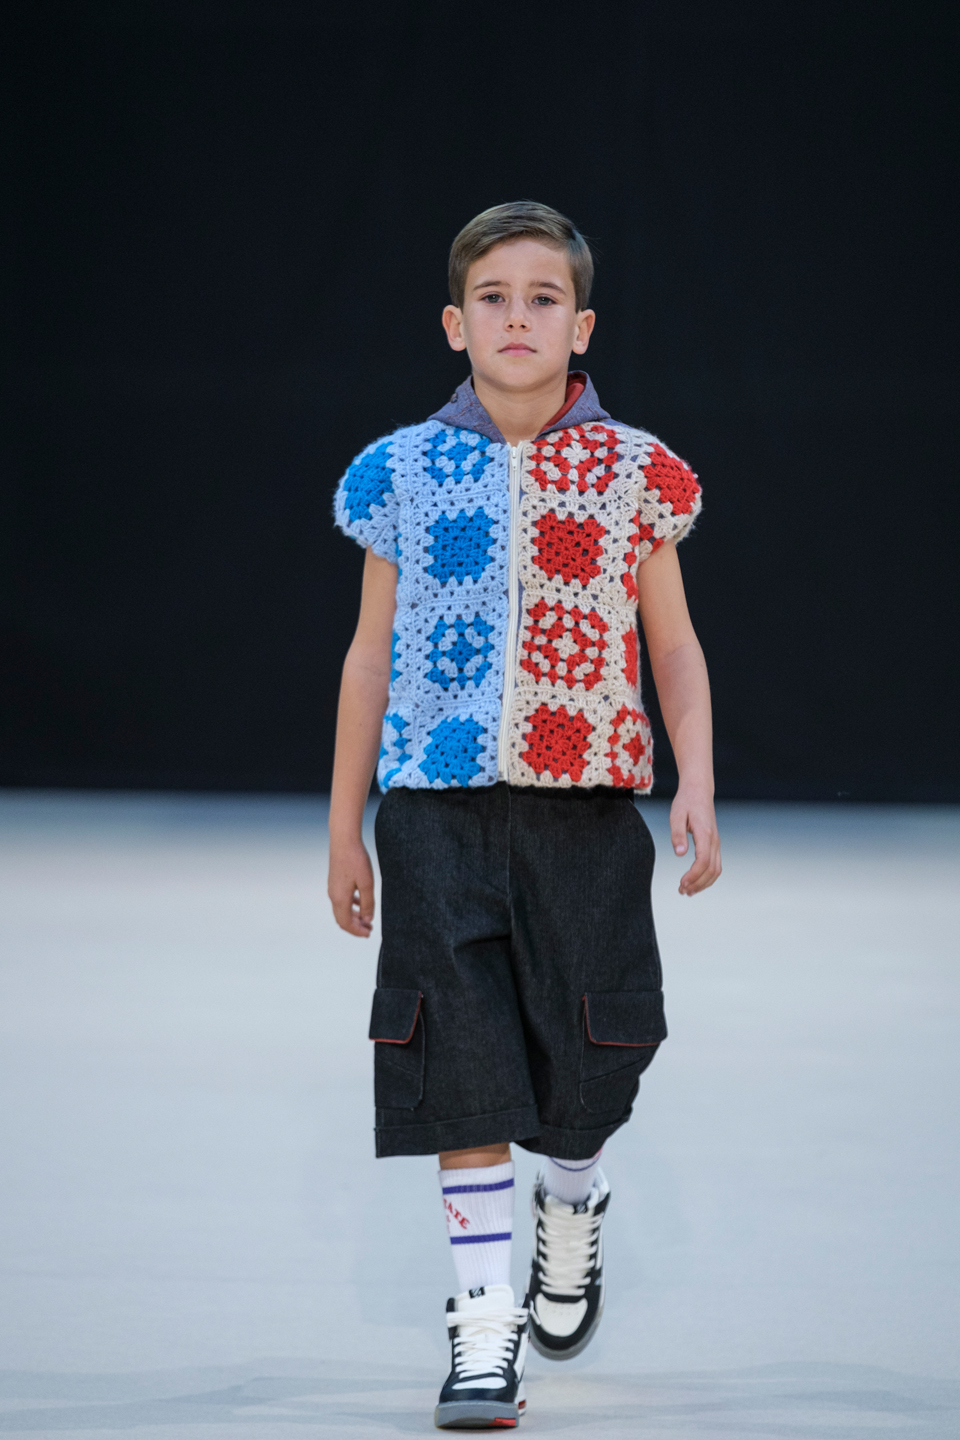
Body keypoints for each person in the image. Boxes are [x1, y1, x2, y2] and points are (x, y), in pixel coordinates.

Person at [328, 200, 721, 1430]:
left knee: (594, 1053)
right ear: (454, 324)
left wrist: (698, 779)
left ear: (580, 325)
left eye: (542, 298)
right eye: (492, 298)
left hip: (585, 811)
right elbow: (369, 655)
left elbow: (673, 644)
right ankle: (482, 1323)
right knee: (462, 1063)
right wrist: (344, 825)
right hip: (434, 811)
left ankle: (575, 1196)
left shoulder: (632, 472)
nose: (517, 318)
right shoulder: (401, 471)